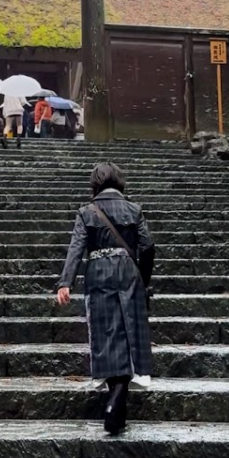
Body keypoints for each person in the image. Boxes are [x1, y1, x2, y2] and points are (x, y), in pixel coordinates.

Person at [56, 161, 155, 435]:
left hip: (98, 272)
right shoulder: (134, 209)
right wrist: (142, 279)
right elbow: (147, 245)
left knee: (106, 335)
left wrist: (66, 282)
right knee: (129, 332)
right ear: (119, 182)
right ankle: (117, 401)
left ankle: (115, 401)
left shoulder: (87, 211)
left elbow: (76, 248)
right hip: (128, 271)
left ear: (95, 183)